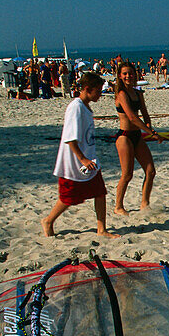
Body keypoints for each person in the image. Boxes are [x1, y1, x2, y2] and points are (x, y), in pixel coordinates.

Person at [41, 71, 116, 238]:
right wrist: (82, 159)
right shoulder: (76, 107)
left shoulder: (85, 107)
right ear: (87, 89)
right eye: (98, 90)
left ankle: (101, 229)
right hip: (74, 162)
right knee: (68, 197)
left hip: (89, 160)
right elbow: (70, 138)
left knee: (100, 192)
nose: (100, 95)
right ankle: (48, 220)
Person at [113, 62, 158, 214]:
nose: (128, 76)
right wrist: (150, 132)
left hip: (137, 136)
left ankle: (144, 203)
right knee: (127, 175)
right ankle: (118, 206)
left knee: (150, 171)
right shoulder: (121, 94)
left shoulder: (138, 93)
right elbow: (132, 117)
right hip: (124, 137)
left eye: (130, 73)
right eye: (125, 73)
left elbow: (144, 114)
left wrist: (150, 126)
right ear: (120, 75)